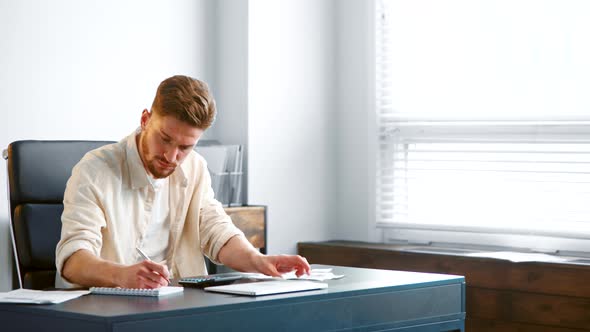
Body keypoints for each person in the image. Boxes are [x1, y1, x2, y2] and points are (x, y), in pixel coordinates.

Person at [55, 75, 310, 289]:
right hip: (107, 311)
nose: (171, 156)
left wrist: (259, 261)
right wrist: (122, 275)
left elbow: (216, 230)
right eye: (164, 139)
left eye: (185, 147)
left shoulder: (195, 167)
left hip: (178, 307)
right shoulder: (95, 170)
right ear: (145, 119)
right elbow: (73, 260)